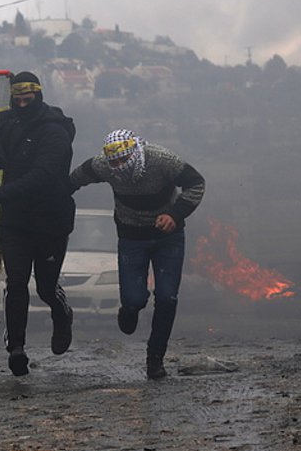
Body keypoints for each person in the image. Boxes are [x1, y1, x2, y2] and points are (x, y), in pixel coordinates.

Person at [0, 71, 76, 376]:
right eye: (17, 99)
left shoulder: (55, 132)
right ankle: (16, 348)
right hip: (15, 219)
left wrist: (0, 193)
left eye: (27, 99)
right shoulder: (8, 122)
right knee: (16, 281)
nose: (21, 105)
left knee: (46, 287)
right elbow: (9, 157)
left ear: (38, 96)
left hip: (50, 219)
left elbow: (42, 174)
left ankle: (62, 314)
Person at [69, 129, 206, 380]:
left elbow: (196, 183)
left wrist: (175, 214)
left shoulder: (162, 160)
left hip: (168, 238)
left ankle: (155, 358)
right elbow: (74, 180)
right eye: (114, 162)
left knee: (167, 297)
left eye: (124, 160)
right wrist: (54, 197)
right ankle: (129, 310)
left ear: (136, 152)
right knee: (134, 299)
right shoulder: (102, 166)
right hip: (131, 238)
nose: (119, 166)